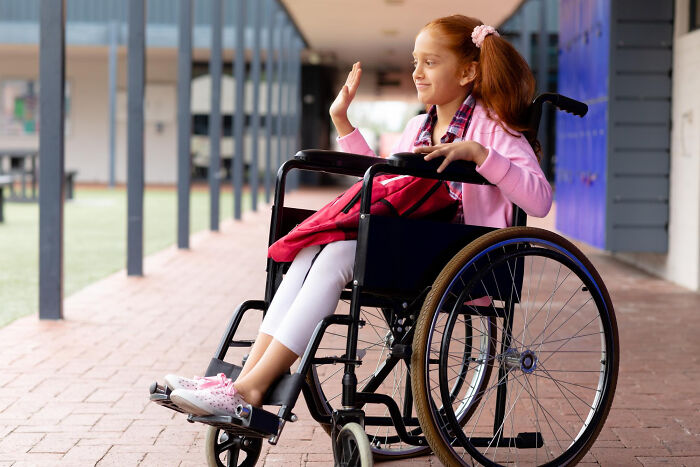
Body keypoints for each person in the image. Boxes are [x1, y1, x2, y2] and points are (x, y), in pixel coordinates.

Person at [165, 14, 553, 417]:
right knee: (309, 251)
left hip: (463, 257)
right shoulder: (419, 126)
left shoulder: (494, 129)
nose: (417, 72)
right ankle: (242, 381)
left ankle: (250, 389)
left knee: (334, 256)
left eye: (430, 63)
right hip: (413, 246)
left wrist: (481, 156)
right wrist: (342, 122)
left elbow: (539, 199)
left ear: (469, 71)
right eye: (415, 62)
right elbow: (388, 184)